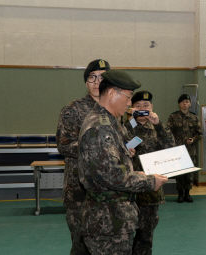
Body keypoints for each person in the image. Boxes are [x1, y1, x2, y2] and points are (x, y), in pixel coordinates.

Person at [78, 70, 168, 255]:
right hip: (108, 221)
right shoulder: (101, 127)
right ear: (111, 93)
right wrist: (150, 181)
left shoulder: (109, 122)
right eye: (128, 97)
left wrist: (137, 173)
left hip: (112, 217)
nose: (129, 103)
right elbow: (112, 176)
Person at [56, 59, 110, 255]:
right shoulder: (73, 109)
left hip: (108, 189)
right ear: (86, 82)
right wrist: (96, 146)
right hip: (80, 190)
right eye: (92, 78)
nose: (97, 82)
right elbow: (63, 146)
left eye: (102, 78)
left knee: (104, 245)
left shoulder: (114, 110)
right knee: (81, 245)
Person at [124, 90, 175, 255]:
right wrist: (131, 119)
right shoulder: (127, 126)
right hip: (129, 190)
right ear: (132, 108)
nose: (142, 109)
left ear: (152, 107)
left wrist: (158, 124)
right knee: (126, 235)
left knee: (146, 235)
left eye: (146, 106)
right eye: (138, 106)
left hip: (151, 189)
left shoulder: (158, 127)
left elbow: (171, 148)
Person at [167, 94, 202, 203]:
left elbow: (200, 134)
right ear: (179, 104)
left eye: (187, 102)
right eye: (182, 102)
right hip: (178, 150)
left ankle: (188, 193)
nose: (185, 104)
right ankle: (180, 194)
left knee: (189, 173)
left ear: (190, 104)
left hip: (190, 150)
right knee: (179, 173)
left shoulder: (194, 117)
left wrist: (194, 139)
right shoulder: (173, 117)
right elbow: (167, 132)